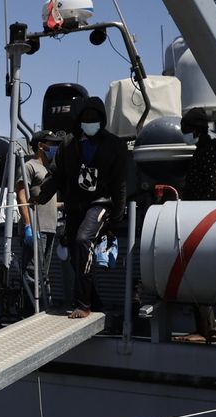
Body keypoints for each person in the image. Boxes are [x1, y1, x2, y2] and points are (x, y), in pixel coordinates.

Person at [39, 97, 127, 319]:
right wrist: (42, 195)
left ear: (102, 120)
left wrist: (117, 216)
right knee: (74, 256)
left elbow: (120, 182)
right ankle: (96, 301)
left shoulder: (114, 144)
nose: (91, 122)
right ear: (79, 120)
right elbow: (56, 174)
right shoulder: (69, 144)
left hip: (100, 204)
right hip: (75, 206)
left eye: (95, 118)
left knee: (82, 241)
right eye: (86, 118)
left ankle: (83, 304)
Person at [179, 107, 216, 340]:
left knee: (199, 273)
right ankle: (206, 327)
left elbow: (211, 187)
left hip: (202, 217)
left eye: (186, 129)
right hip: (204, 215)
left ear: (195, 130)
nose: (183, 133)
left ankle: (205, 329)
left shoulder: (209, 151)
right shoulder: (209, 149)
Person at [16, 131, 60, 301]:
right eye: (52, 143)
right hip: (35, 227)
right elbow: (21, 195)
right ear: (41, 146)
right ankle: (29, 312)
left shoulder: (51, 170)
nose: (55, 147)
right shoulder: (29, 166)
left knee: (43, 273)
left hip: (49, 227)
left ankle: (41, 309)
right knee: (32, 272)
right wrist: (28, 225)